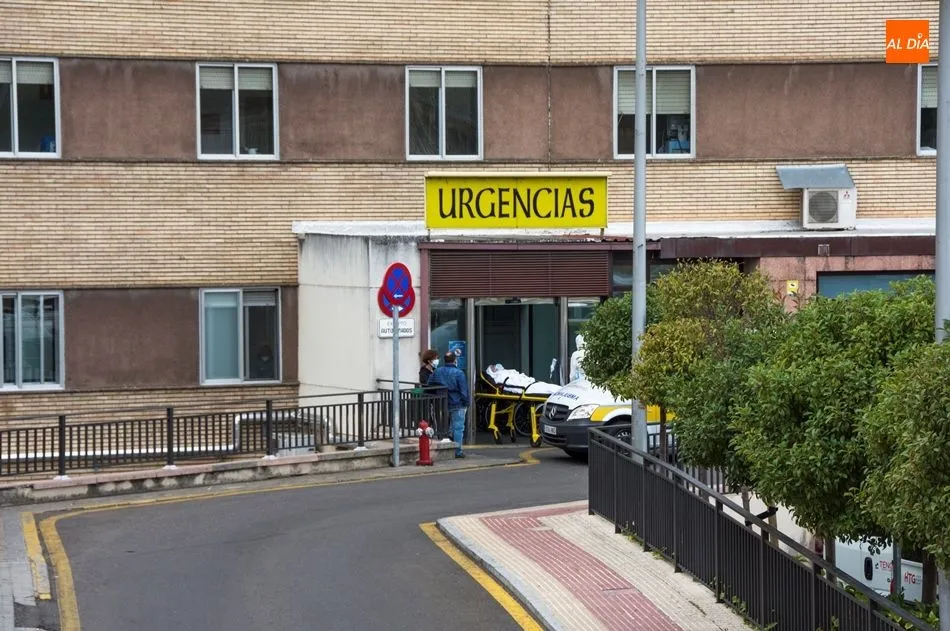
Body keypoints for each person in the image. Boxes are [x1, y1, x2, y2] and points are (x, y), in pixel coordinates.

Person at [427, 351, 470, 458]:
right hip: (457, 403)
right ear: (455, 360)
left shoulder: (437, 371)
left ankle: (449, 447)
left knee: (447, 428)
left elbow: (429, 384)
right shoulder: (459, 373)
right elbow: (464, 391)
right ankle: (457, 451)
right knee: (458, 428)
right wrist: (466, 403)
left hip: (442, 403)